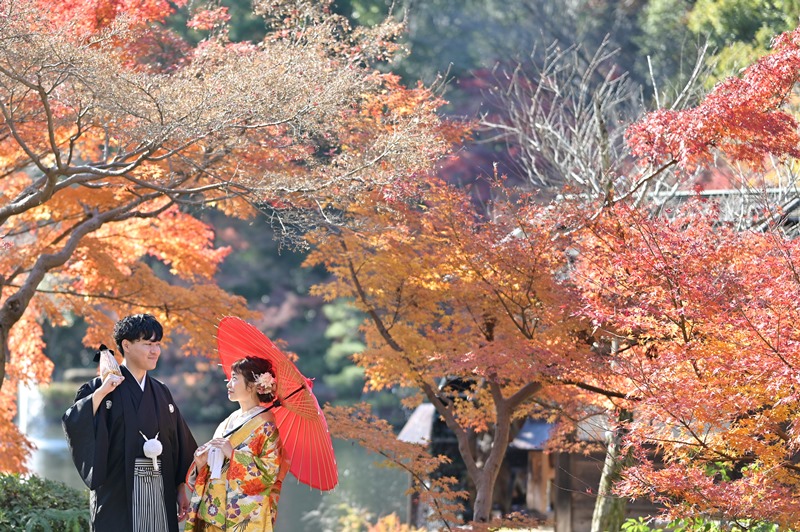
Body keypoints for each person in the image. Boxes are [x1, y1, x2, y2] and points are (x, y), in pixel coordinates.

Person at [62, 313, 198, 532]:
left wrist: (181, 487)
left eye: (158, 344)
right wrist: (102, 392)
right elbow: (75, 421)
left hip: (160, 490)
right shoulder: (100, 388)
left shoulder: (161, 392)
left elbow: (178, 443)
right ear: (126, 345)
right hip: (118, 493)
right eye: (148, 344)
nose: (155, 351)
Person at [184, 356, 287, 532]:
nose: (228, 384)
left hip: (239, 516)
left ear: (253, 385)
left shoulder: (266, 425)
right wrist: (201, 463)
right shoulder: (230, 420)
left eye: (234, 378)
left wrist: (233, 454)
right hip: (211, 510)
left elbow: (270, 473)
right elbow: (214, 468)